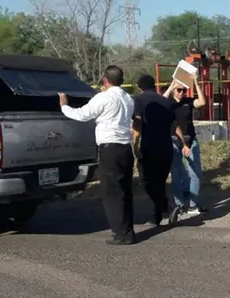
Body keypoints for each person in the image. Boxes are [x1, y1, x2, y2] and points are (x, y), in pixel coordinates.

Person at [59, 65, 136, 245]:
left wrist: (64, 105)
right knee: (125, 191)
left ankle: (121, 233)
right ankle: (127, 230)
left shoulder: (103, 98)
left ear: (105, 80)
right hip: (125, 148)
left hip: (110, 149)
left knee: (111, 192)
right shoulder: (128, 98)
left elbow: (82, 114)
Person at [132, 74, 175, 228]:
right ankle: (159, 215)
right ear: (154, 85)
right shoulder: (166, 101)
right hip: (166, 146)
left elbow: (137, 124)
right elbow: (173, 123)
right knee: (160, 182)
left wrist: (135, 144)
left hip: (149, 147)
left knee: (147, 181)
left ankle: (164, 208)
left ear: (139, 87)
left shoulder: (138, 100)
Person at [163, 77, 208, 223]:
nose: (182, 92)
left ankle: (193, 205)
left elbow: (202, 102)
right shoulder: (168, 103)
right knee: (177, 173)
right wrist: (172, 85)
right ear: (174, 90)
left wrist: (196, 83)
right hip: (173, 140)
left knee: (195, 172)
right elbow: (160, 102)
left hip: (190, 139)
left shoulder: (188, 102)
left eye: (184, 90)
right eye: (179, 90)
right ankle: (179, 205)